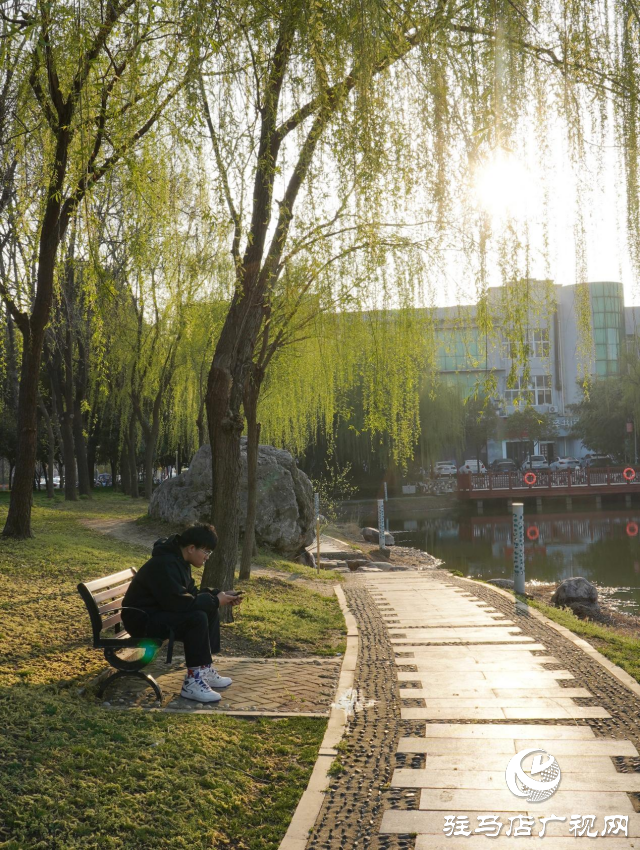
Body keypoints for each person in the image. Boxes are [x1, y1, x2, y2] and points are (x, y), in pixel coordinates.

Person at [122, 523, 242, 703]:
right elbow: (178, 602)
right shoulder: (165, 564)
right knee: (197, 617)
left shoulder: (179, 561)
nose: (207, 557)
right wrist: (216, 600)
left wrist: (217, 595)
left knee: (207, 611)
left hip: (157, 615)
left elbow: (190, 594)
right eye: (206, 552)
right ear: (191, 548)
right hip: (142, 622)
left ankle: (204, 668)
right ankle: (193, 683)